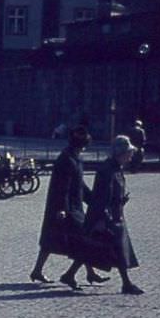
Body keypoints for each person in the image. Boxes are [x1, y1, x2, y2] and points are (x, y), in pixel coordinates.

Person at [63, 136, 143, 295]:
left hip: (112, 215)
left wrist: (121, 200)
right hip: (106, 217)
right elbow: (102, 196)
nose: (131, 156)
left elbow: (111, 194)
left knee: (95, 249)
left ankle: (70, 274)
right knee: (103, 248)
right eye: (129, 153)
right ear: (121, 153)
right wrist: (103, 219)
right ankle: (126, 284)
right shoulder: (108, 170)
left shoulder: (115, 168)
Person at [29, 125, 107, 287]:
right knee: (83, 239)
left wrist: (93, 200)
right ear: (82, 145)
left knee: (53, 240)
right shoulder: (66, 160)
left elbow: (80, 185)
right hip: (65, 207)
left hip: (73, 206)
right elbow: (61, 187)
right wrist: (61, 209)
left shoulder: (75, 158)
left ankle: (88, 273)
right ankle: (74, 274)